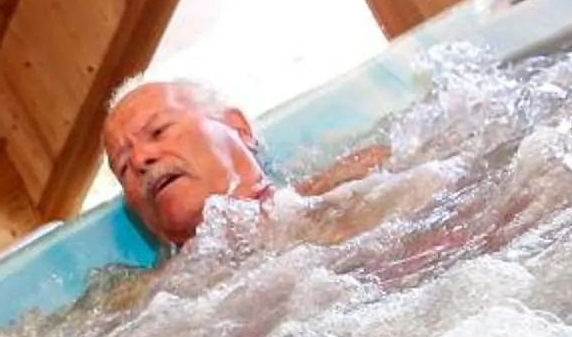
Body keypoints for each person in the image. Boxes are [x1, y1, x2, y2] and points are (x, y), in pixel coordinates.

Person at [99, 77, 390, 253]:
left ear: (239, 128)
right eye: (123, 167)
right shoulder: (145, 301)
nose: (139, 161)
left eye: (159, 131)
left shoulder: (357, 180)